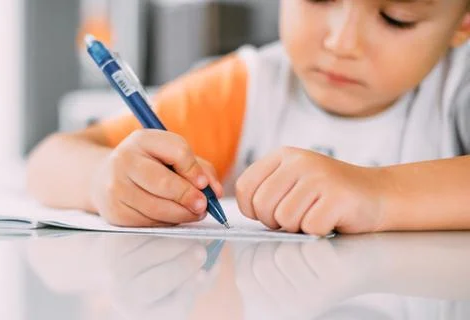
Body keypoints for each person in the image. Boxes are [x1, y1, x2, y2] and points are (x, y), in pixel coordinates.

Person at [27, 0, 470, 236]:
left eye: (397, 18)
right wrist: (104, 178)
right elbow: (49, 159)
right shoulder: (246, 88)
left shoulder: (457, 91)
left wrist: (377, 193)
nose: (342, 42)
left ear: (462, 24)